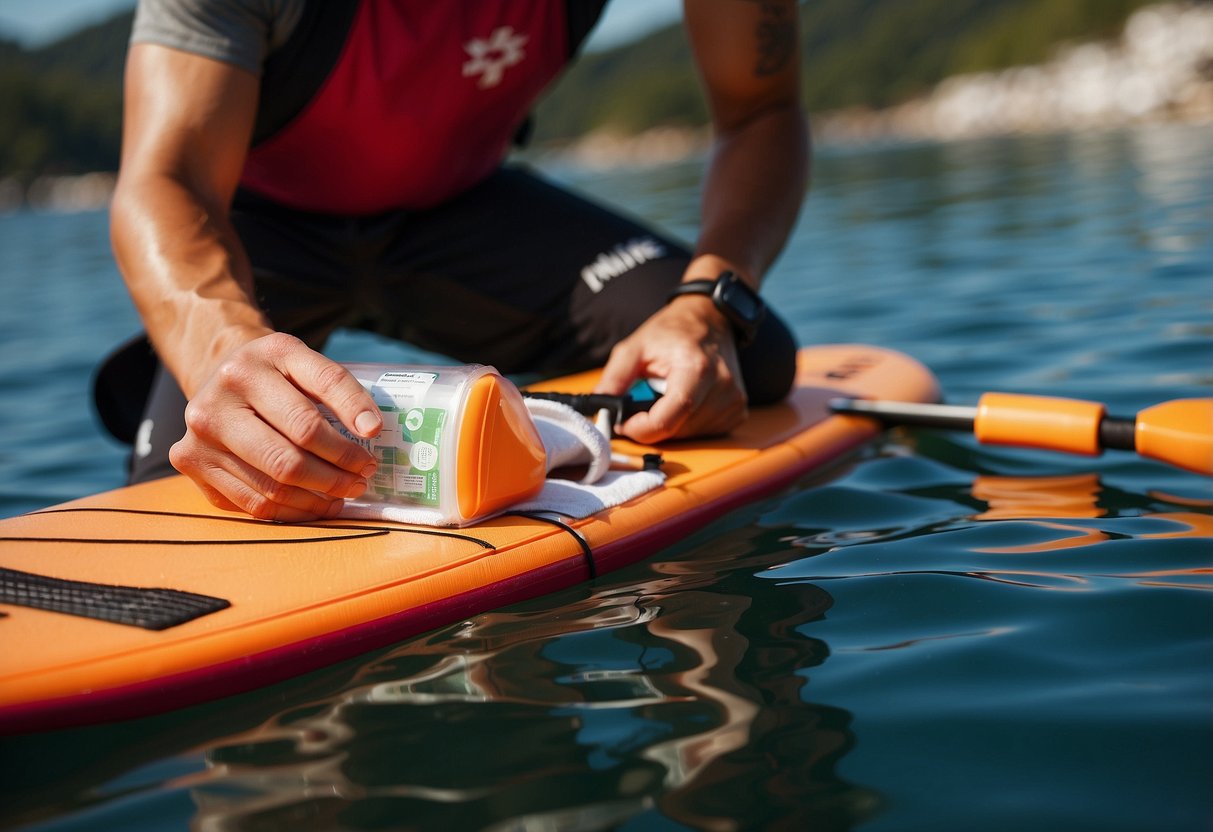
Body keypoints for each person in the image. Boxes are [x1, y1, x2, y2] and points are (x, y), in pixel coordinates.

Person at [100, 0, 809, 523]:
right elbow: (168, 179)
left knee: (747, 357)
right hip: (261, 236)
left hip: (462, 211)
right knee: (198, 486)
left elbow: (760, 111)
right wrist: (225, 347)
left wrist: (707, 305)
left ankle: (529, 434)